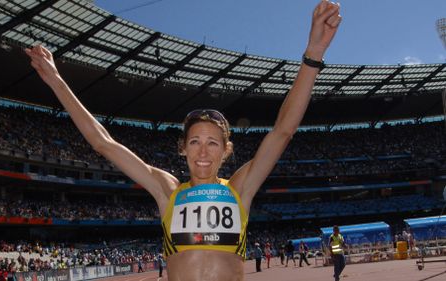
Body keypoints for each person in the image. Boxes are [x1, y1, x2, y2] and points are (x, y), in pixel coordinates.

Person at [24, 1, 341, 280]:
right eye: (195, 142)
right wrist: (55, 80)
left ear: (226, 150)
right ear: (183, 148)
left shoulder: (240, 189)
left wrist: (313, 56)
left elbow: (282, 131)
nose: (203, 151)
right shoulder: (167, 190)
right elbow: (103, 143)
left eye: (213, 143)